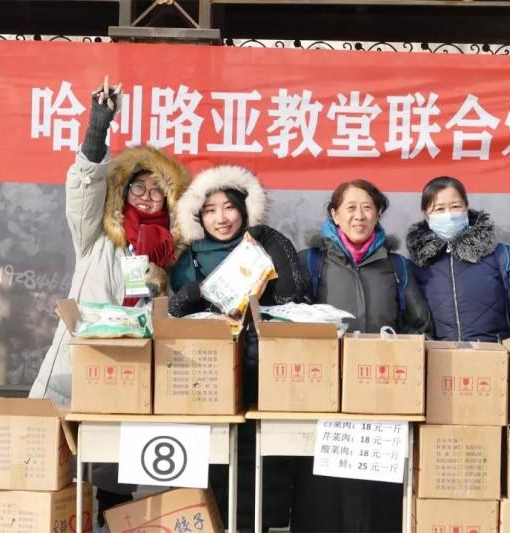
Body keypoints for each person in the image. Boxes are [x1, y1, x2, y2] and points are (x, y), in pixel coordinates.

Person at [28, 76, 189, 522]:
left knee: (130, 462)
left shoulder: (174, 252)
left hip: (141, 366)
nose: (147, 196)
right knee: (77, 463)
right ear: (123, 192)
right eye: (138, 188)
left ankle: (123, 518)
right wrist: (98, 126)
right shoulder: (96, 237)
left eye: (157, 190)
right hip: (87, 362)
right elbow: (83, 184)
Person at [169, 164, 309, 531]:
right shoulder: (190, 257)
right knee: (212, 462)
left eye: (229, 207)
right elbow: (173, 314)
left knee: (264, 461)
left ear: (245, 209)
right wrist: (200, 293)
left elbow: (295, 295)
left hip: (263, 373)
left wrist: (275, 244)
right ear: (199, 216)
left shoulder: (266, 244)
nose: (221, 217)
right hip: (206, 378)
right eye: (211, 210)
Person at [292, 179, 433, 533]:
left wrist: (394, 359)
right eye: (350, 207)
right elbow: (287, 324)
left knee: (377, 499)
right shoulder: (310, 263)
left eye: (368, 207)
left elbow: (422, 327)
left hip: (381, 400)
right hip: (323, 400)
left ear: (379, 214)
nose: (359, 216)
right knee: (322, 493)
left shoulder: (396, 267)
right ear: (334, 214)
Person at [406, 176, 510, 342]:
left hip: (495, 359)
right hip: (439, 362)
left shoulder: (501, 256)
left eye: (455, 206)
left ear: (466, 208)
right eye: (439, 209)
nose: (448, 215)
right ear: (426, 216)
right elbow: (409, 321)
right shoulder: (417, 265)